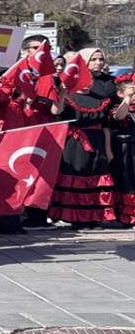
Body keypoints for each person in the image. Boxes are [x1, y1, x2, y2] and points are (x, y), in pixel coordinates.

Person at [48, 47, 117, 228]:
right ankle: (74, 217)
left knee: (95, 177)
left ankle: (92, 216)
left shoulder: (100, 99)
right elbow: (56, 111)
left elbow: (105, 126)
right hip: (74, 142)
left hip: (97, 141)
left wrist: (108, 149)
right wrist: (62, 94)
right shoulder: (68, 97)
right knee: (75, 176)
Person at [111, 73, 135, 225]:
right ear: (120, 93)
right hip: (126, 148)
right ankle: (128, 215)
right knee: (127, 180)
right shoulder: (117, 107)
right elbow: (119, 116)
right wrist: (128, 98)